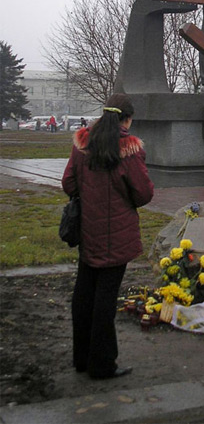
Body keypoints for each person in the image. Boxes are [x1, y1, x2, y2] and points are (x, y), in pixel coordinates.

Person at [62, 93, 154, 379]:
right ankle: (102, 363)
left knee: (84, 293)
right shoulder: (128, 149)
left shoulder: (82, 144)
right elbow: (143, 194)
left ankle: (81, 358)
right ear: (127, 119)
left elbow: (68, 183)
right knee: (105, 299)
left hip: (88, 232)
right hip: (118, 236)